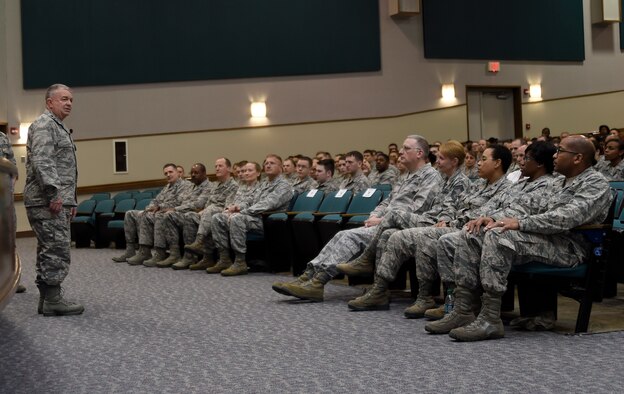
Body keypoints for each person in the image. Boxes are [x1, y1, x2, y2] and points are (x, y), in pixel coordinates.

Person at [430, 136, 611, 341]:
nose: (554, 155)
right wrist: (494, 218)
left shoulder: (595, 182)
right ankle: (463, 310)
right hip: (542, 239)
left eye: (560, 151)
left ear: (578, 158)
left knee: (498, 237)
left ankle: (490, 318)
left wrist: (519, 223)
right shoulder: (559, 181)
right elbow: (528, 209)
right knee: (473, 233)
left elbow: (565, 218)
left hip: (569, 247)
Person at [272, 135, 442, 302]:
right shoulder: (406, 177)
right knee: (341, 235)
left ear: (419, 153)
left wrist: (383, 220)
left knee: (350, 236)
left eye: (406, 148)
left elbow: (418, 209)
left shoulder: (430, 176)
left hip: (403, 226)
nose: (400, 151)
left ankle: (317, 283)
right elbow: (387, 201)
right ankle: (307, 276)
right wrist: (375, 215)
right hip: (386, 222)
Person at [345, 144, 512, 313]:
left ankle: (432, 297)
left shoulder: (503, 188)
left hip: (465, 230)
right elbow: (455, 208)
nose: (478, 163)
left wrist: (448, 221)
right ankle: (381, 289)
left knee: (412, 232)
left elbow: (483, 215)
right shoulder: (476, 185)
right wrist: (447, 219)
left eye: (483, 159)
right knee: (391, 233)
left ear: (497, 163)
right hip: (445, 223)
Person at [24, 84, 83, 316]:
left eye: (71, 99)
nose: (68, 103)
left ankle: (46, 299)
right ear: (49, 102)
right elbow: (43, 161)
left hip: (55, 200)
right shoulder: (45, 125)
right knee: (57, 249)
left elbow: (65, 169)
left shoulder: (58, 127)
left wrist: (71, 201)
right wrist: (54, 194)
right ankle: (53, 299)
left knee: (49, 248)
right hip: (46, 200)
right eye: (63, 99)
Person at [209, 154, 293, 276]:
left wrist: (241, 212)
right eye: (266, 163)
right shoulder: (264, 183)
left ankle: (240, 262)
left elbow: (267, 204)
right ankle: (224, 259)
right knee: (218, 217)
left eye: (272, 163)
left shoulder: (284, 185)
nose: (268, 165)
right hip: (253, 217)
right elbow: (251, 201)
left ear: (280, 167)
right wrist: (236, 207)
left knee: (237, 218)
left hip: (268, 221)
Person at [112, 163, 190, 264]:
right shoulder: (167, 187)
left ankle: (159, 253)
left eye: (171, 172)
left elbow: (179, 202)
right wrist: (149, 208)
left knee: (155, 215)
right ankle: (133, 251)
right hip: (158, 211)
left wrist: (159, 207)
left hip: (173, 214)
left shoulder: (185, 185)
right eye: (166, 173)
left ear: (177, 172)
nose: (168, 175)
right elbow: (155, 200)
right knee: (130, 213)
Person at [143, 163, 213, 268]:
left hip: (197, 215)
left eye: (196, 172)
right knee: (167, 215)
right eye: (192, 173)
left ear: (204, 173)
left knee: (174, 215)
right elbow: (181, 201)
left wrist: (175, 209)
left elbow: (198, 204)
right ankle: (174, 254)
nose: (193, 175)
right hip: (184, 212)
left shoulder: (209, 186)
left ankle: (189, 257)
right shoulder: (192, 186)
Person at [176, 158, 239, 269]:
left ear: (229, 168)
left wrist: (207, 210)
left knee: (211, 212)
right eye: (216, 166)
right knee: (189, 216)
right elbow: (207, 203)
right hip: (208, 212)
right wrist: (203, 211)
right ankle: (195, 257)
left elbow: (228, 206)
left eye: (220, 166)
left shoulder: (234, 185)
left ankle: (199, 242)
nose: (217, 168)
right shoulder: (215, 185)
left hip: (222, 213)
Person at [1, 131, 26, 293]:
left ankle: (8, 280)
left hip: (4, 202)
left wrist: (9, 188)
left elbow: (13, 167)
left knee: (8, 239)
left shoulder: (3, 137)